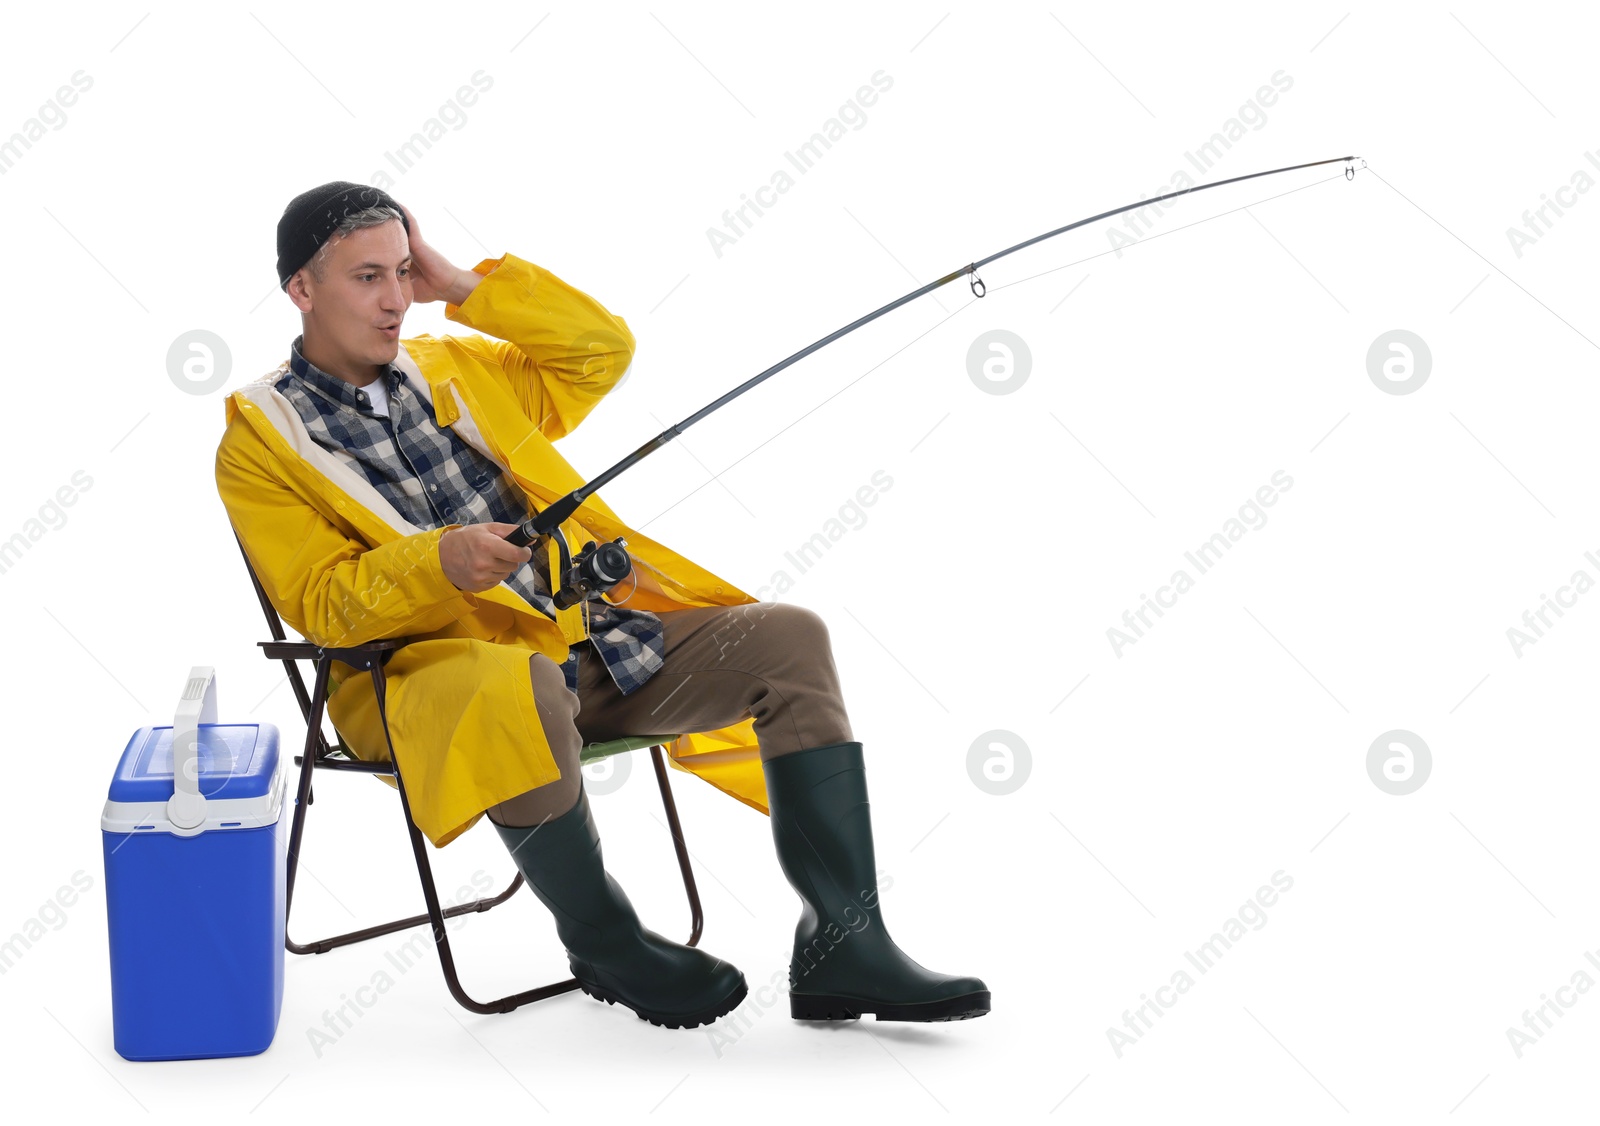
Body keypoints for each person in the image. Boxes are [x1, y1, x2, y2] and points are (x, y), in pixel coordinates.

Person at [215, 180, 989, 1030]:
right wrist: (440, 562)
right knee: (522, 686)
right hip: (434, 683)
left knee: (788, 640)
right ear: (301, 289)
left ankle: (845, 942)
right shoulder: (259, 442)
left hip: (587, 644)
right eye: (368, 277)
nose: (397, 298)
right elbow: (322, 604)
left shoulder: (456, 368)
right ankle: (606, 943)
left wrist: (467, 285)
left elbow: (598, 352)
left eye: (404, 270)